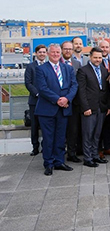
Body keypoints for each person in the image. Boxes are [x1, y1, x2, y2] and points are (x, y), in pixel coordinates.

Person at [35, 43, 78, 176]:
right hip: (47, 110)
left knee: (60, 137)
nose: (55, 54)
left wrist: (67, 99)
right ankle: (48, 163)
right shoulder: (41, 69)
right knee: (48, 138)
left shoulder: (67, 68)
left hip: (64, 109)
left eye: (57, 52)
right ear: (48, 53)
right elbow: (42, 88)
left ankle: (59, 161)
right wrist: (58, 100)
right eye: (53, 52)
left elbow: (74, 85)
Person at [77, 47, 110, 168]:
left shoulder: (103, 70)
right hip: (89, 108)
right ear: (90, 57)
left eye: (99, 57)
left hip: (101, 107)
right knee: (88, 134)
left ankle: (95, 155)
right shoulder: (83, 71)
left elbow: (106, 90)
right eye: (95, 57)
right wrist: (85, 107)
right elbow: (81, 91)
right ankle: (87, 158)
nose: (97, 60)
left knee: (97, 134)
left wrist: (107, 106)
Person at [62, 40, 84, 163]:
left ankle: (71, 153)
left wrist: (69, 98)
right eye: (66, 49)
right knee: (60, 130)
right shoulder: (57, 63)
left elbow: (78, 83)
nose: (68, 51)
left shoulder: (77, 64)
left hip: (74, 102)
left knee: (73, 130)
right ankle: (58, 154)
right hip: (59, 102)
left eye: (70, 49)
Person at [25, 44, 47, 156]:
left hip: (46, 101)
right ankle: (35, 147)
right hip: (35, 100)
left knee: (45, 125)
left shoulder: (48, 66)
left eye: (44, 52)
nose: (42, 54)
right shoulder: (30, 66)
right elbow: (28, 83)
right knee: (34, 125)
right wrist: (38, 94)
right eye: (40, 52)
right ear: (36, 53)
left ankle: (45, 147)